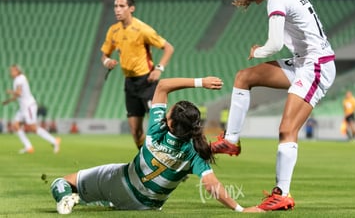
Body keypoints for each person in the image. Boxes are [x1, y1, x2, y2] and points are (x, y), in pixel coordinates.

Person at [210, 0, 336, 211]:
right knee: (244, 77)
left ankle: (282, 194)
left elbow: (275, 44)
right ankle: (231, 140)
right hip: (304, 62)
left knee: (287, 129)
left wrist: (258, 51)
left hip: (316, 66)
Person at [50, 77, 263, 214]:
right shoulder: (195, 152)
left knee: (62, 182)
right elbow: (211, 186)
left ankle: (65, 199)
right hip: (146, 206)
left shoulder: (157, 130)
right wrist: (240, 209)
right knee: (109, 202)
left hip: (120, 181)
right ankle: (101, 201)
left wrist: (200, 82)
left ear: (170, 122)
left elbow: (163, 86)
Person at [101, 0, 174, 149]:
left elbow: (168, 48)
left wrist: (159, 69)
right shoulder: (113, 31)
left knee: (159, 127)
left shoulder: (142, 29)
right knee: (135, 131)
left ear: (131, 8)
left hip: (147, 82)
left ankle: (171, 159)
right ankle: (146, 163)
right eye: (115, 6)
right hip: (130, 83)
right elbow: (105, 54)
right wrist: (107, 61)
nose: (117, 10)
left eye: (121, 6)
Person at [2, 64, 61, 154]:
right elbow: (18, 95)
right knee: (16, 125)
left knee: (33, 128)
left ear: (17, 71)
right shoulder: (18, 79)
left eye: (13, 71)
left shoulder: (19, 79)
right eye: (11, 71)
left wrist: (10, 92)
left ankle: (54, 141)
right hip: (23, 108)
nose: (11, 72)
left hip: (29, 106)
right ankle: (28, 147)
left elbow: (18, 93)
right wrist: (8, 101)